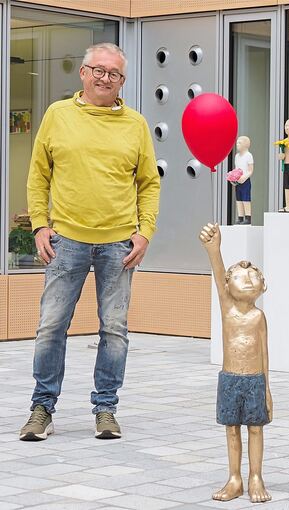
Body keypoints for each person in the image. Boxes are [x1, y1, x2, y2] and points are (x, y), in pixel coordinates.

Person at [20, 42, 160, 441]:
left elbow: (149, 182)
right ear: (82, 72)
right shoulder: (57, 115)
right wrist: (39, 225)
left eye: (113, 74)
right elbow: (38, 175)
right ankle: (42, 408)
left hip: (119, 244)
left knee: (114, 330)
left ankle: (106, 409)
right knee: (51, 326)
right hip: (65, 240)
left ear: (122, 82)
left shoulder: (135, 124)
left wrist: (144, 231)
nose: (105, 78)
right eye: (98, 70)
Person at [199, 223, 272, 503]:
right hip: (230, 377)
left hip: (254, 378)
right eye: (241, 276)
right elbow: (218, 274)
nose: (249, 279)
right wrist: (213, 249)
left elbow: (265, 354)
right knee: (232, 430)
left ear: (263, 286)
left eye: (254, 275)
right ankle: (234, 478)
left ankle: (256, 476)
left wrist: (267, 389)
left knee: (256, 428)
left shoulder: (259, 317)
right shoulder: (227, 308)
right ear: (229, 285)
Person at [233, 135, 254, 225]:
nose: (237, 144)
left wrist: (244, 177)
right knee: (238, 199)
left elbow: (250, 170)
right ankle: (240, 217)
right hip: (238, 181)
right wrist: (233, 177)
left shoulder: (248, 155)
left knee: (246, 199)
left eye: (239, 143)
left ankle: (248, 217)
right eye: (237, 142)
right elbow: (236, 168)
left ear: (246, 145)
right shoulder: (237, 156)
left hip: (245, 180)